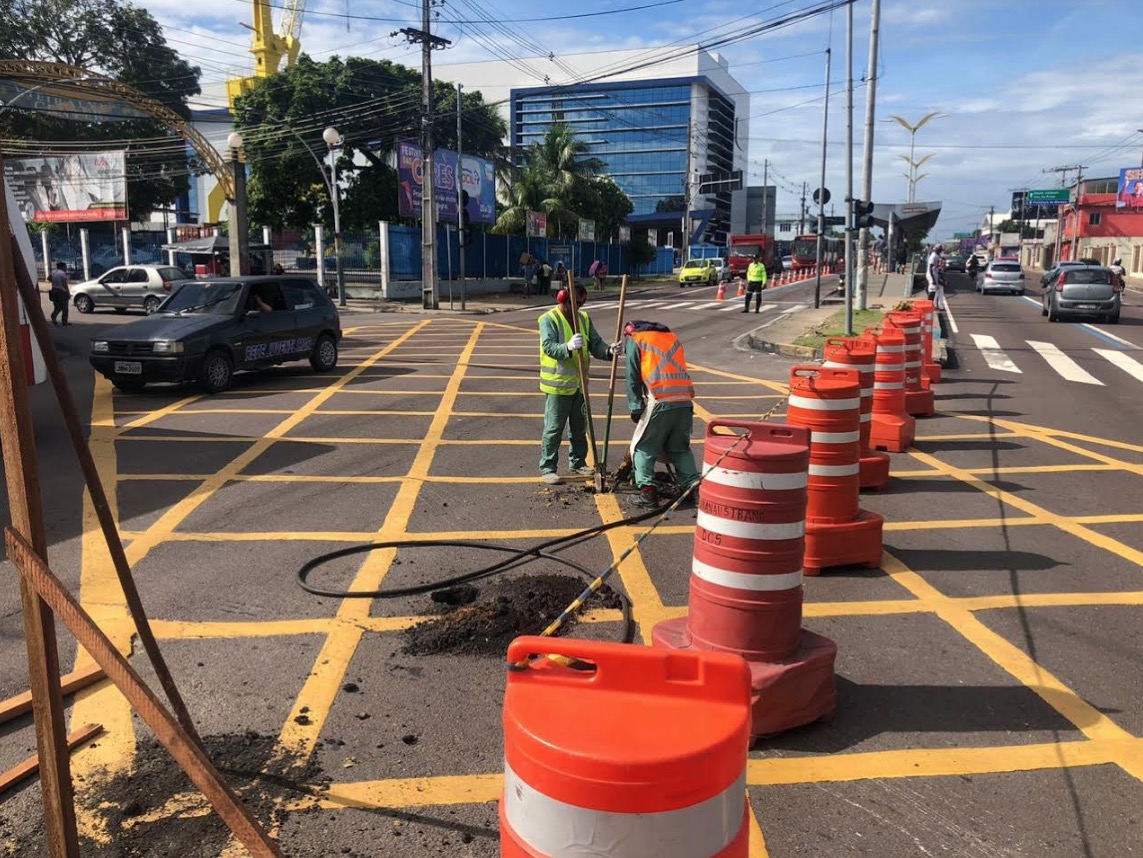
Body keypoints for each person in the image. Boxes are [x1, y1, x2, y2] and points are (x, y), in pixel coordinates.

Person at [538, 284, 615, 485]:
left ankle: (578, 462)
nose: (578, 308)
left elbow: (595, 344)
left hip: (579, 385)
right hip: (557, 386)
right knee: (554, 429)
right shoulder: (548, 319)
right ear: (563, 300)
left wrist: (609, 351)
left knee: (579, 428)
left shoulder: (584, 318)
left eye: (582, 303)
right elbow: (548, 347)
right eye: (575, 303)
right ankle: (548, 467)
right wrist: (568, 346)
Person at [623, 320, 699, 508]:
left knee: (642, 447)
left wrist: (635, 406)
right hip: (684, 400)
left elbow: (632, 375)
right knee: (680, 448)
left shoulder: (636, 338)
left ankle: (648, 493)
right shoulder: (670, 336)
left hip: (659, 399)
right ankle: (691, 489)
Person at [48, 261, 70, 326]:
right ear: (62, 267)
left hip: (54, 290)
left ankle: (54, 317)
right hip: (61, 291)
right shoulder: (62, 273)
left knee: (57, 306)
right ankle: (64, 321)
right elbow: (64, 284)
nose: (66, 268)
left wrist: (54, 281)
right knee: (65, 307)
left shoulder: (53, 272)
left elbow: (48, 278)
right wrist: (68, 292)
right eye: (65, 267)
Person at [926, 245, 945, 310]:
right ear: (936, 249)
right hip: (932, 275)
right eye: (940, 249)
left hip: (934, 275)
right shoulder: (933, 256)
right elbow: (930, 268)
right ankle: (928, 306)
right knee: (932, 291)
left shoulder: (936, 256)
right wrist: (933, 279)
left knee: (934, 291)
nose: (941, 251)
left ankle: (931, 305)